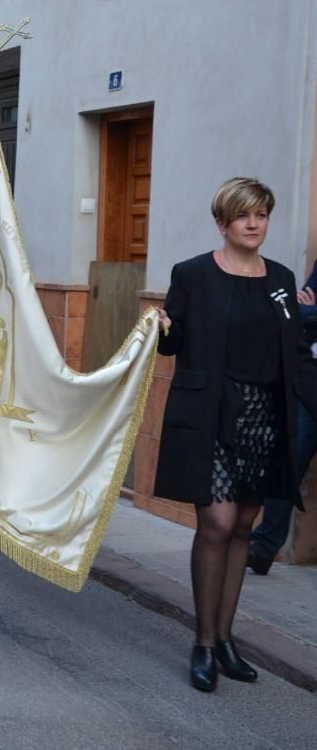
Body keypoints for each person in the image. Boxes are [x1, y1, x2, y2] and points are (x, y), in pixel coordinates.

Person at [155, 177, 317, 692]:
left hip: (266, 416)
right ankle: (202, 641)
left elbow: (293, 354)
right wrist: (161, 326)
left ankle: (226, 640)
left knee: (245, 527)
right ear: (223, 222)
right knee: (217, 523)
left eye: (263, 215)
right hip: (211, 415)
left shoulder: (282, 279)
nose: (254, 224)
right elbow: (175, 341)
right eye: (244, 215)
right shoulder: (194, 274)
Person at [247, 257, 317, 575]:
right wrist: (310, 312)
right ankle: (263, 548)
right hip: (311, 381)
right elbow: (297, 310)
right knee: (289, 460)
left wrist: (312, 311)